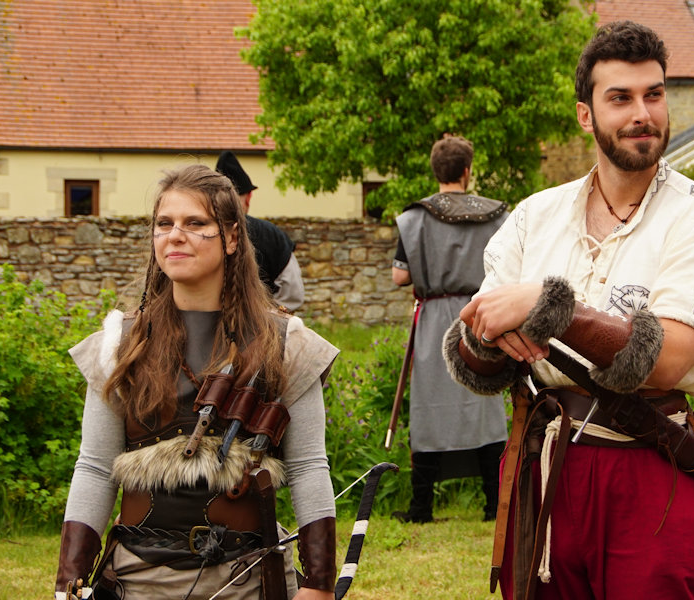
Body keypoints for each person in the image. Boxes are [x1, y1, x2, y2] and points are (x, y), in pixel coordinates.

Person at [443, 21, 694, 599]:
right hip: (546, 463)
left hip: (650, 466)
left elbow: (669, 358)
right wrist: (482, 342)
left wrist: (547, 307)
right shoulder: (535, 216)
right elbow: (482, 343)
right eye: (620, 98)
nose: (643, 114)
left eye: (653, 95)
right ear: (586, 115)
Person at [54, 164, 337, 599]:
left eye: (195, 223)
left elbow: (307, 467)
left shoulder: (286, 344)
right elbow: (94, 467)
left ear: (231, 238)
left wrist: (317, 585)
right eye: (164, 224)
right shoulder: (120, 343)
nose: (175, 235)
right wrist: (68, 583)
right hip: (137, 581)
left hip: (248, 578)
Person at [390, 135, 509, 523]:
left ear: (436, 170)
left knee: (430, 410)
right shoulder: (497, 216)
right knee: (484, 405)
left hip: (434, 322)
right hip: (480, 318)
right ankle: (494, 504)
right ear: (466, 171)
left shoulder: (412, 219)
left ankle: (421, 507)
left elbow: (398, 277)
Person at [216, 150, 305, 311]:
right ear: (249, 196)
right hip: (263, 328)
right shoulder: (271, 234)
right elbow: (293, 292)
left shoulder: (196, 234)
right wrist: (267, 316)